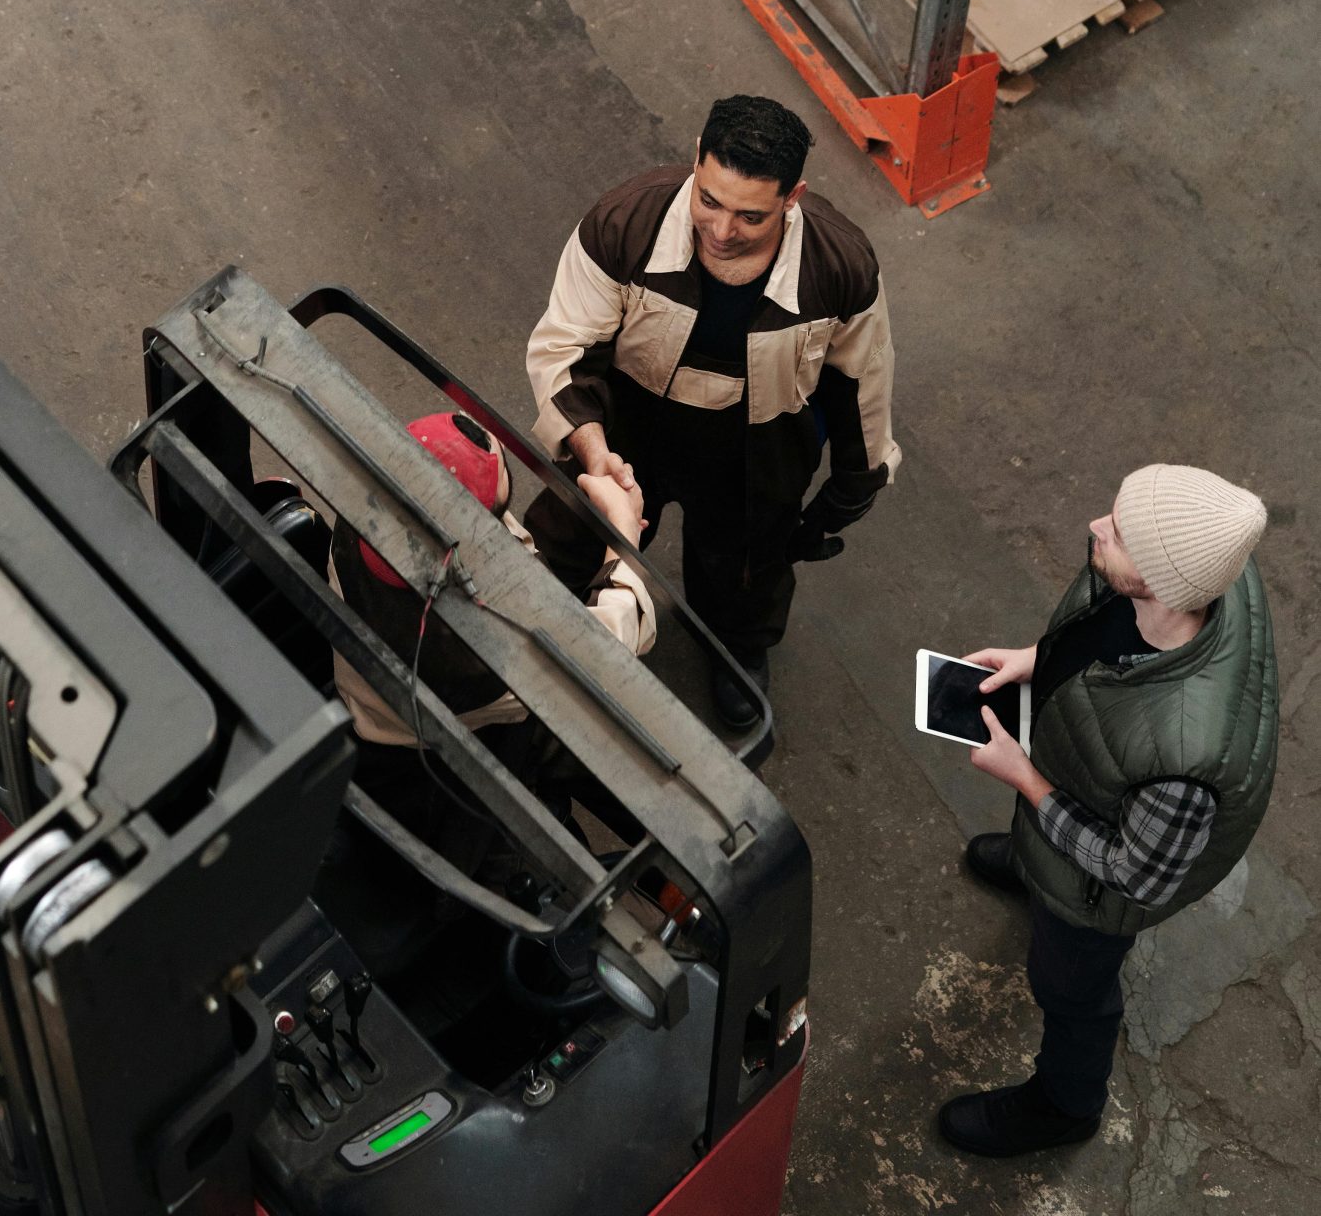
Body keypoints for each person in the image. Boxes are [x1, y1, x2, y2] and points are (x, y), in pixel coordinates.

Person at [524, 94, 897, 731]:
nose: (722, 232)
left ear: (793, 196)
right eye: (709, 201)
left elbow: (861, 383)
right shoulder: (624, 224)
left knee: (747, 562)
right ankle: (533, 627)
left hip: (753, 440)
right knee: (573, 530)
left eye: (751, 216)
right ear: (696, 162)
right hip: (625, 421)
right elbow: (565, 348)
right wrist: (593, 453)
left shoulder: (840, 268)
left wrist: (852, 486)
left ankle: (736, 646)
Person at [940, 463, 1279, 1159]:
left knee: (1069, 989)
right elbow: (1097, 626)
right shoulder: (1201, 572)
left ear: (1158, 580)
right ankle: (1037, 867)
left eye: (1118, 533)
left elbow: (1133, 874)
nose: (1095, 527)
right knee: (1042, 848)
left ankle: (1064, 1106)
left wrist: (1027, 782)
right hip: (1084, 779)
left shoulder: (1189, 762)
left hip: (1096, 896)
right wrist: (1035, 659)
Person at [328, 410, 654, 828]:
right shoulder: (477, 658)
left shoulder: (358, 518)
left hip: (371, 710)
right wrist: (622, 539)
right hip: (441, 760)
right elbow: (599, 660)